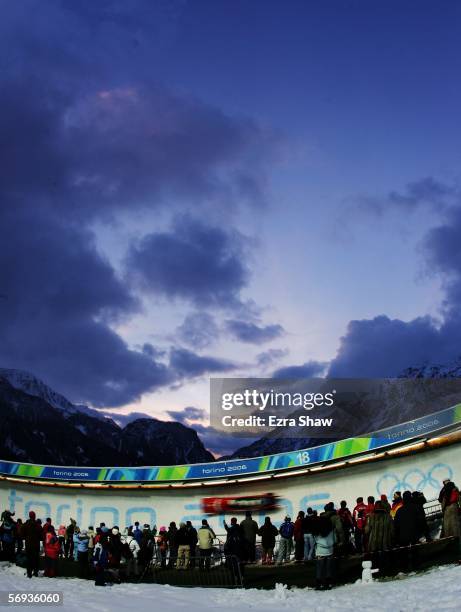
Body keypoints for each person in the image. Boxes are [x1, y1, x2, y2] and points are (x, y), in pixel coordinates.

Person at [313, 515, 336, 590]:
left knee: (319, 569)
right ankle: (328, 584)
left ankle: (318, 584)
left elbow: (315, 541)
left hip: (320, 551)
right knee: (328, 569)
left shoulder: (316, 531)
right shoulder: (331, 530)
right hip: (330, 551)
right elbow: (335, 539)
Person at [20, 511, 42, 578]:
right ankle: (35, 572)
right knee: (35, 559)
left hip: (28, 545)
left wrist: (26, 537)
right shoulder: (37, 525)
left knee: (29, 559)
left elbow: (21, 534)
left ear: (29, 516)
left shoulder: (25, 524)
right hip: (36, 545)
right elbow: (41, 536)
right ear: (34, 516)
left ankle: (29, 573)